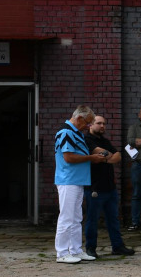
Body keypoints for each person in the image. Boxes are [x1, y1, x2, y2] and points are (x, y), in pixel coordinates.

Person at [54, 106, 105, 264]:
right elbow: (68, 157)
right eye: (87, 123)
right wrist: (91, 158)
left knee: (76, 218)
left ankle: (75, 250)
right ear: (79, 118)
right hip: (68, 179)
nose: (88, 126)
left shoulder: (75, 132)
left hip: (76, 179)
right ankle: (62, 252)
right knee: (66, 217)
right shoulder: (66, 132)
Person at [83, 115, 134, 257]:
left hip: (110, 187)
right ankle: (90, 248)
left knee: (113, 219)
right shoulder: (86, 140)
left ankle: (117, 246)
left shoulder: (105, 141)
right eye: (99, 123)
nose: (102, 126)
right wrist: (108, 156)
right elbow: (101, 153)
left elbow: (118, 156)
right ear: (90, 125)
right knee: (92, 219)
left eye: (104, 123)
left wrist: (105, 158)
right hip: (94, 187)